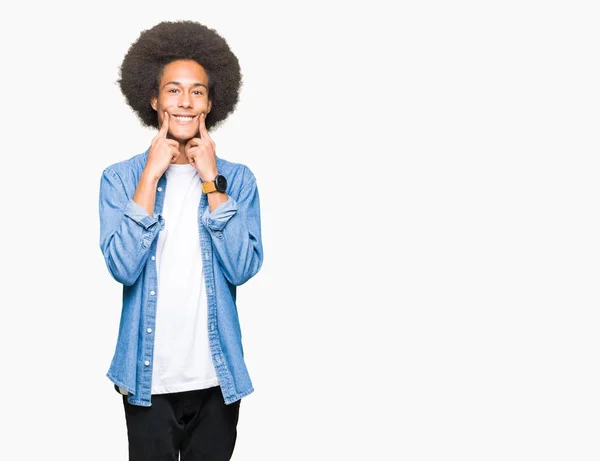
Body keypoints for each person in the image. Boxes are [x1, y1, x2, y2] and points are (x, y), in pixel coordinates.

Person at [98, 20, 263, 461]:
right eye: (173, 90)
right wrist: (151, 175)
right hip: (146, 379)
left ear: (211, 102)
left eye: (197, 91)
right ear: (153, 99)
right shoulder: (120, 178)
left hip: (217, 380)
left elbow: (243, 268)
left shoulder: (238, 180)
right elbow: (122, 267)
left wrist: (212, 182)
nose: (185, 101)